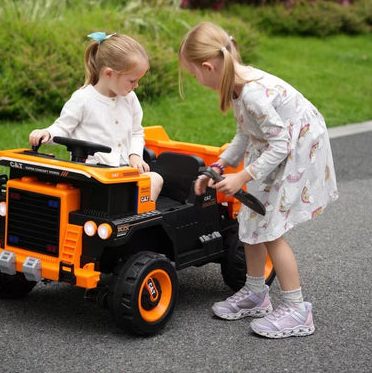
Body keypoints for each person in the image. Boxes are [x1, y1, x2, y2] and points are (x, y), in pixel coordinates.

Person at [179, 21, 338, 338]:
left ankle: (297, 311)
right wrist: (221, 166)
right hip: (272, 149)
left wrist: (242, 176)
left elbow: (281, 144)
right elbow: (245, 132)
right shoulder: (237, 85)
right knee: (251, 219)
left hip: (295, 151)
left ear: (209, 66)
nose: (196, 80)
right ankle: (255, 293)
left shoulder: (251, 94)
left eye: (194, 74)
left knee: (271, 230)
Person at [29, 32, 163, 202]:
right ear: (109, 74)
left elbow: (137, 132)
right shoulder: (83, 99)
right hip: (92, 175)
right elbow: (62, 129)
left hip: (125, 173)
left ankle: (136, 217)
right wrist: (47, 133)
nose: (136, 86)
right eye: (132, 80)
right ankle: (126, 209)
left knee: (155, 179)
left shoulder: (130, 99)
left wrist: (134, 155)